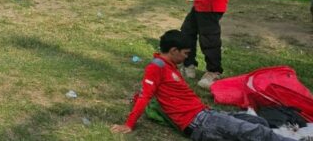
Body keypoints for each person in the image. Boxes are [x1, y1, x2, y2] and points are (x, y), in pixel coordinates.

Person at [111, 30, 294, 140]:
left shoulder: (170, 66)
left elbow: (144, 93)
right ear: (173, 50)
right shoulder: (157, 67)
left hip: (206, 115)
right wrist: (129, 124)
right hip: (200, 123)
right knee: (257, 131)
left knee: (256, 121)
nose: (187, 57)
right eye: (185, 53)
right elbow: (145, 96)